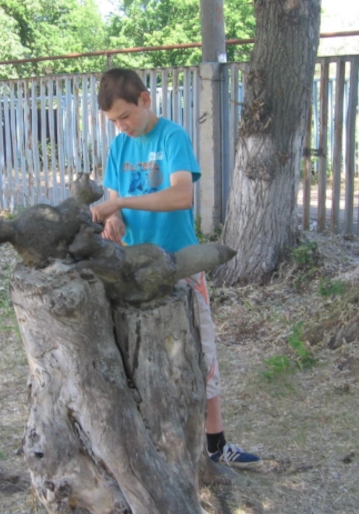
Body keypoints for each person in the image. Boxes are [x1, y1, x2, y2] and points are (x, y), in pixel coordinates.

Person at [91, 67, 261, 470]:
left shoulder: (172, 137)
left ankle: (215, 443)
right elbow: (114, 204)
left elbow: (181, 195)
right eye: (113, 121)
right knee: (142, 356)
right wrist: (114, 220)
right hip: (135, 268)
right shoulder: (119, 147)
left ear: (145, 100)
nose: (122, 126)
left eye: (125, 116)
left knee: (200, 349)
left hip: (181, 264)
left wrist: (121, 204)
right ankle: (153, 443)